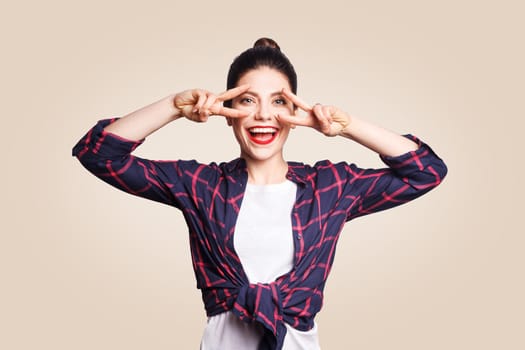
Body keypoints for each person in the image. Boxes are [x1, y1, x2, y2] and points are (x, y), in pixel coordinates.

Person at [73, 37, 447, 350]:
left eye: (279, 102)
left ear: (296, 112)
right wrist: (173, 107)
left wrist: (346, 126)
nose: (264, 115)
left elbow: (426, 172)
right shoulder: (201, 185)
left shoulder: (330, 188)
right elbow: (98, 154)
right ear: (230, 110)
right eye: (248, 100)